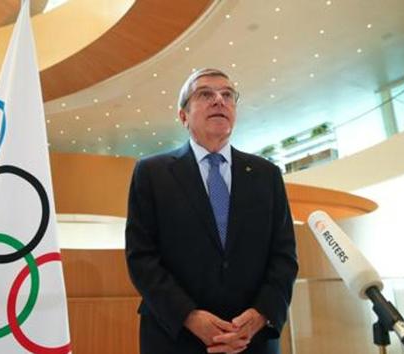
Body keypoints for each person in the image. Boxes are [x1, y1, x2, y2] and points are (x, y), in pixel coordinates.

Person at [125, 68, 298, 354]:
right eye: (206, 94)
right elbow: (141, 257)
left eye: (227, 95)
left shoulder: (267, 174)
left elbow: (284, 255)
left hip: (252, 341)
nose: (219, 100)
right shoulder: (151, 173)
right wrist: (189, 317)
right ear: (183, 116)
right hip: (176, 338)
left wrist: (260, 315)